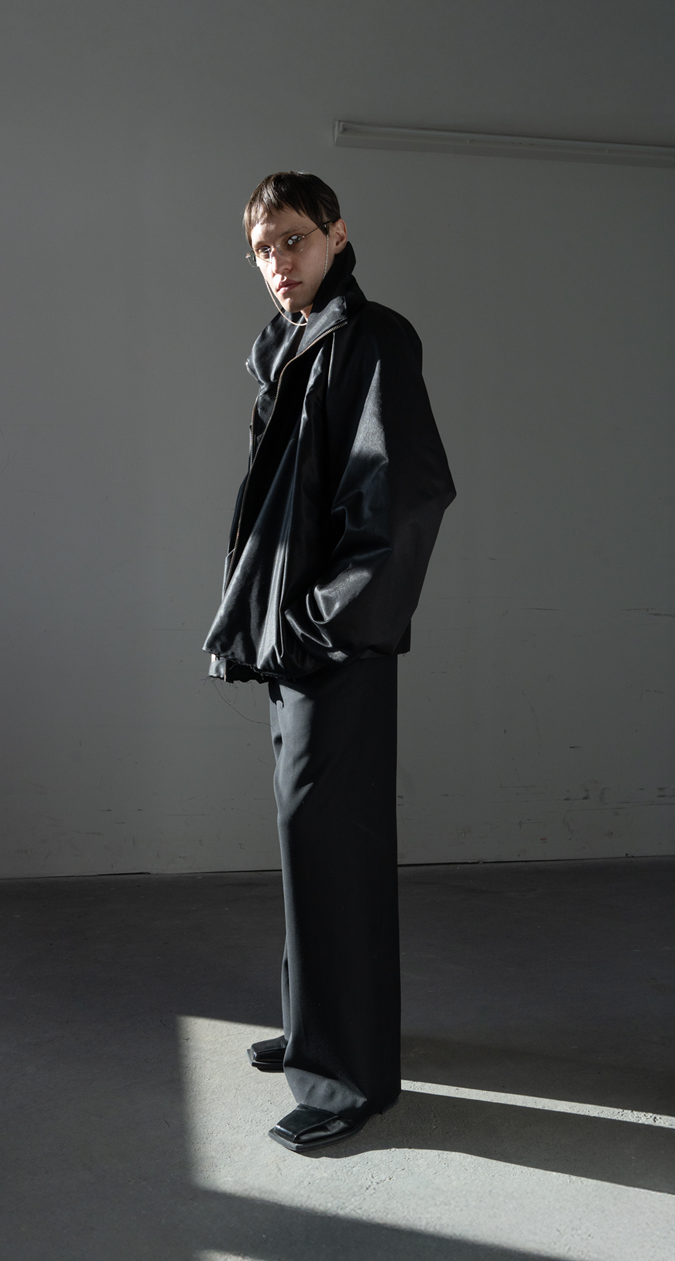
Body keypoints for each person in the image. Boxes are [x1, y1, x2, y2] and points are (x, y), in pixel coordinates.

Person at [202, 172, 456, 1152]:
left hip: (334, 641)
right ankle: (319, 1030)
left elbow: (408, 494)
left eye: (295, 241)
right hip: (296, 640)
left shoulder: (372, 339)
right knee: (309, 842)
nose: (279, 263)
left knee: (334, 847)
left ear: (338, 235)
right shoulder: (292, 344)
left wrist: (321, 621)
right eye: (263, 249)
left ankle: (349, 1082)